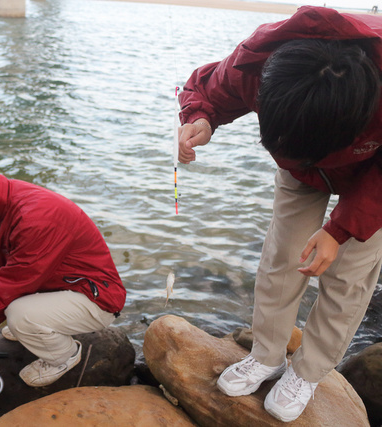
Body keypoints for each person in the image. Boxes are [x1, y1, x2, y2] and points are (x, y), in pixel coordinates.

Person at [178, 6, 382, 423]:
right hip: (299, 167)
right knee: (281, 257)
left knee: (347, 278)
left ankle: (308, 372)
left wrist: (340, 229)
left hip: (372, 176)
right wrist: (202, 117)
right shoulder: (256, 60)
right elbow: (209, 87)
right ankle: (266, 354)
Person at [0, 146, 126, 387]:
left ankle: (64, 356)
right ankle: (38, 327)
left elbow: (5, 293)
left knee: (19, 315)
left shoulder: (35, 218)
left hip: (96, 297)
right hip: (55, 281)